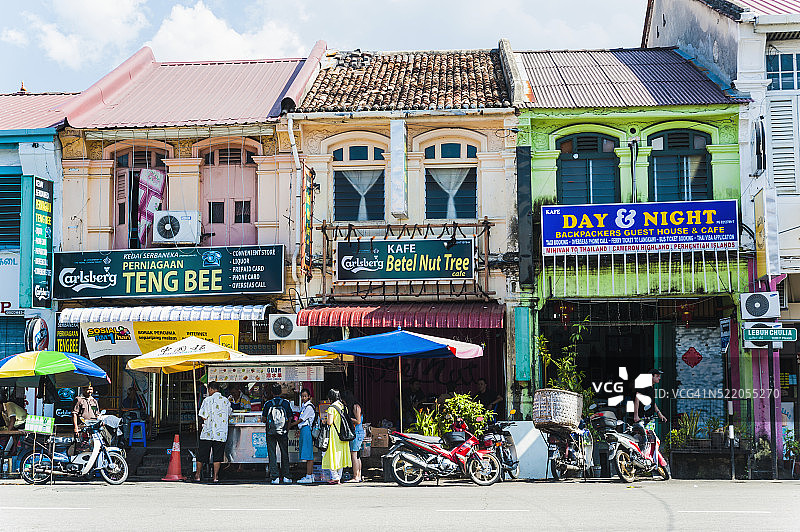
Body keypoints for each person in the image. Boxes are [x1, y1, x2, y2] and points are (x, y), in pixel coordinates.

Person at [195, 381, 231, 483]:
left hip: (208, 432)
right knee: (218, 456)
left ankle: (197, 475)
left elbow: (203, 415)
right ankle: (215, 477)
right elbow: (229, 413)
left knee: (202, 455)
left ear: (210, 389)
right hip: (220, 433)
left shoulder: (207, 400)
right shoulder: (226, 401)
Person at [262, 383, 293, 484]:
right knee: (284, 453)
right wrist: (286, 429)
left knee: (272, 454)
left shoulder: (268, 404)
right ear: (281, 392)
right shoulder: (286, 403)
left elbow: (264, 419)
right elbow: (290, 418)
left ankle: (274, 477)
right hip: (283, 431)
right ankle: (286, 476)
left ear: (271, 392)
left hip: (270, 432)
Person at [321, 389, 351, 484]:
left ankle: (335, 476)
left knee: (330, 455)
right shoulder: (343, 407)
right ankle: (339, 476)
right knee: (340, 455)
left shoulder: (331, 408)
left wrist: (324, 421)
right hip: (343, 435)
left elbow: (329, 422)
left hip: (334, 434)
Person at [289, 388, 315, 484]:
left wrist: (291, 424)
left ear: (309, 397)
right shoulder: (304, 406)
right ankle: (310, 475)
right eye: (302, 396)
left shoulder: (308, 407)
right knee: (308, 453)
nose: (303, 398)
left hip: (306, 429)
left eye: (305, 396)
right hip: (304, 430)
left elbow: (301, 420)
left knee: (308, 455)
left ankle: (308, 476)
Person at [342, 390, 365, 483]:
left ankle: (356, 476)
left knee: (354, 455)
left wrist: (346, 418)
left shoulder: (355, 407)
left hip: (357, 433)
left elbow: (358, 421)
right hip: (358, 433)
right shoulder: (354, 406)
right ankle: (358, 475)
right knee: (357, 455)